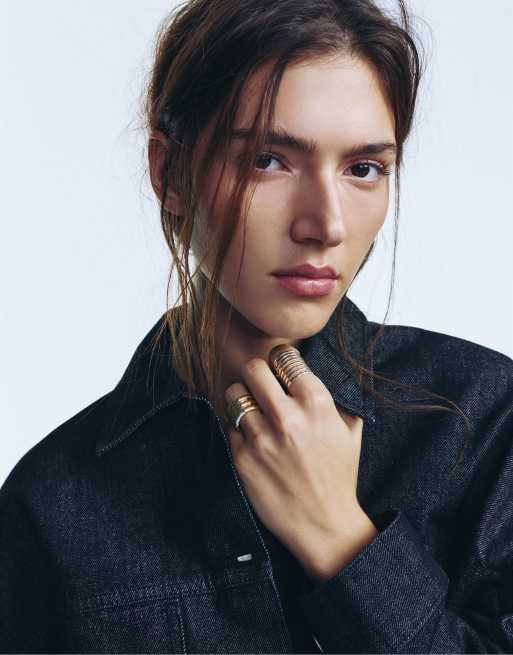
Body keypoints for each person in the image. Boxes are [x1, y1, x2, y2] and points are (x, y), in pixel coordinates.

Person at [1, 0, 512, 652]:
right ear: (169, 174)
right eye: (268, 159)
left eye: (363, 169)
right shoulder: (54, 500)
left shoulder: (484, 421)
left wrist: (341, 538)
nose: (325, 224)